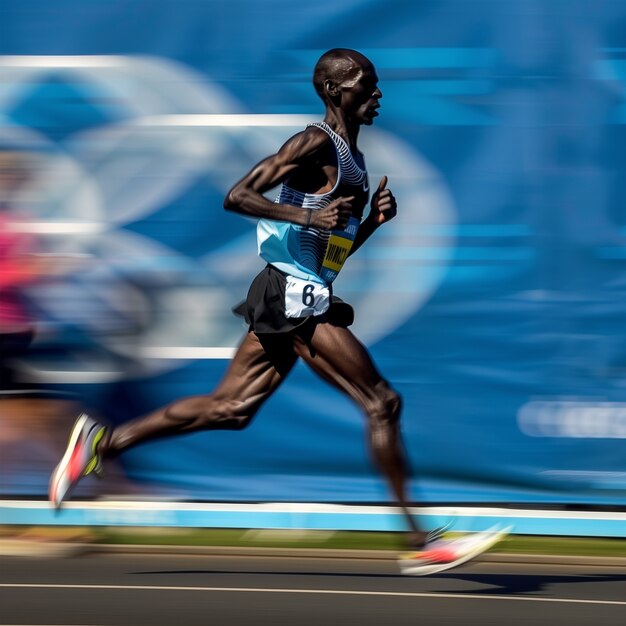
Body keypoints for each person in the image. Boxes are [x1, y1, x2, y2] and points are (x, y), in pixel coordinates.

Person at [49, 48, 441, 551]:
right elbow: (237, 195)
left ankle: (102, 444)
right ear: (334, 90)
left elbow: (327, 252)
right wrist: (305, 218)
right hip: (290, 294)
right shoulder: (313, 143)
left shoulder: (354, 159)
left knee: (231, 408)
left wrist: (369, 225)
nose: (377, 93)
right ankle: (420, 542)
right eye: (366, 83)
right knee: (382, 402)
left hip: (299, 290)